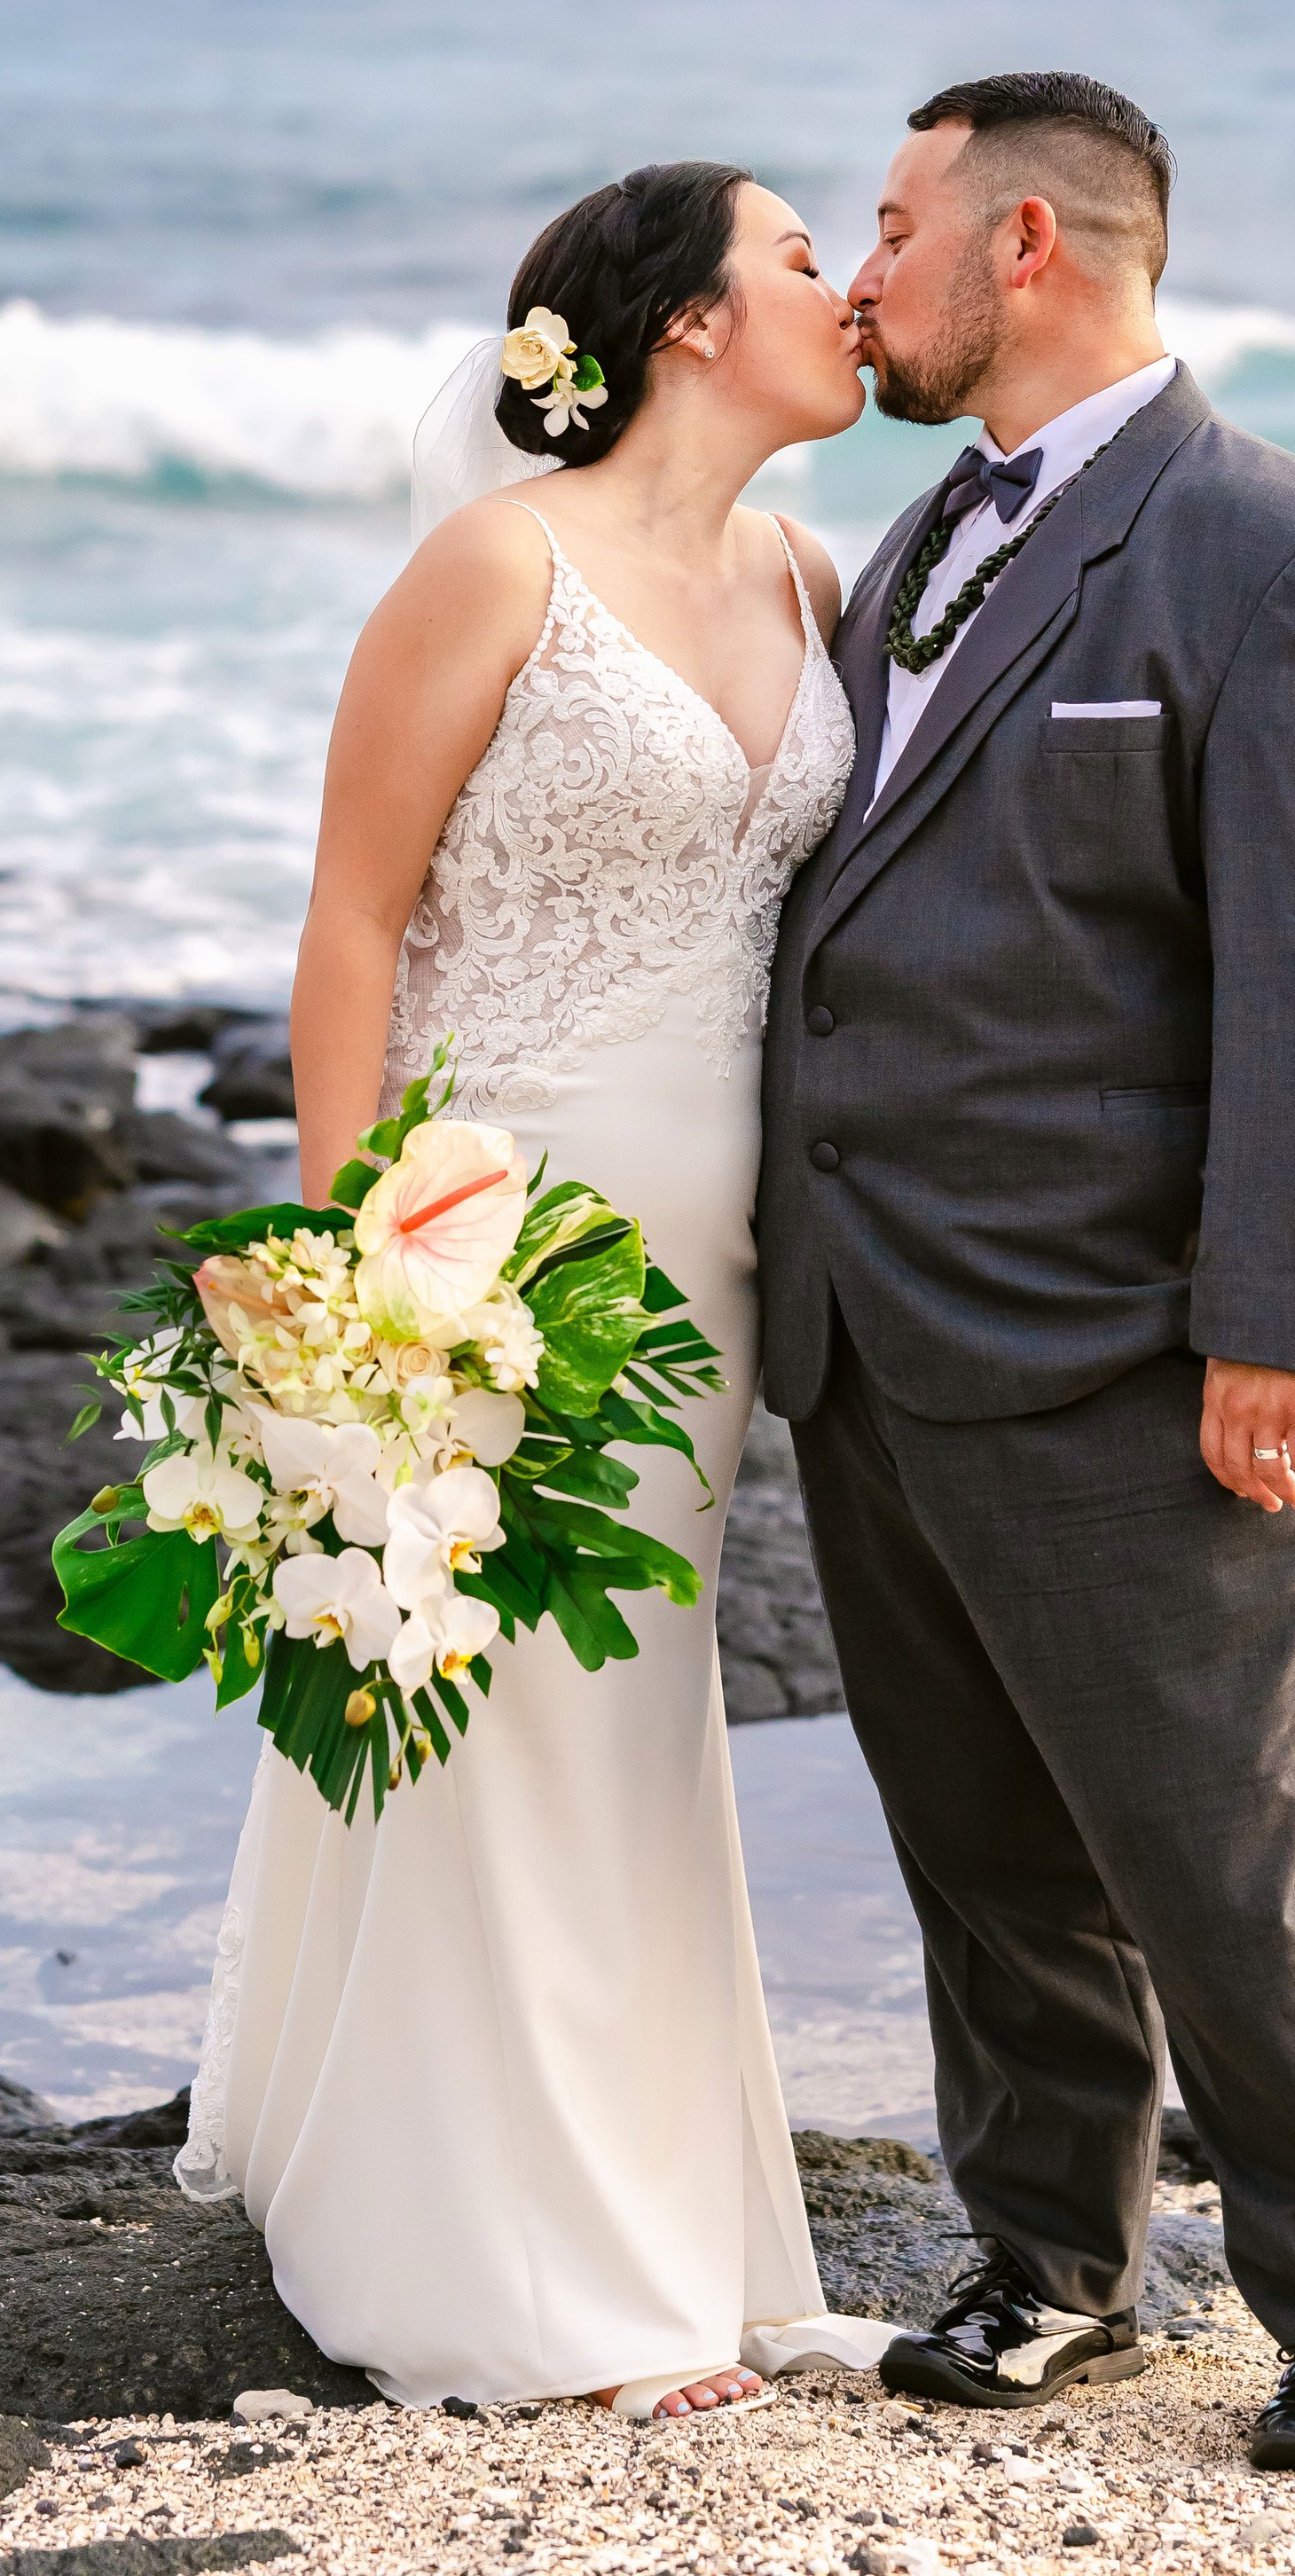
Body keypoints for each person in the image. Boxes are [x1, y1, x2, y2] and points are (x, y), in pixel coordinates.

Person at [757, 72, 1295, 2474]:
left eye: (886, 224)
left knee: (1222, 1845)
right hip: (876, 1323)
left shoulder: (1280, 549)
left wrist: (1284, 1324)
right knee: (980, 1840)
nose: (859, 277)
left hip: (1139, 1344)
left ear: (1024, 239)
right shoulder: (917, 537)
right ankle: (1053, 2255)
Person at [177, 162, 899, 2419]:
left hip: (723, 1236)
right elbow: (351, 923)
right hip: (490, 1216)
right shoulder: (496, 564)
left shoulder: (809, 568)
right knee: (504, 1706)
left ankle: (667, 2220)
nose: (846, 293)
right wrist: (338, 1272)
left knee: (632, 1698)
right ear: (687, 323)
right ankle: (520, 2274)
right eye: (802, 258)